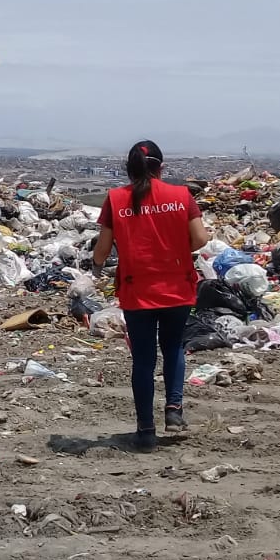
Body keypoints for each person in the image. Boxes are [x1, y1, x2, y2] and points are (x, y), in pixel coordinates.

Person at [92, 140, 209, 451]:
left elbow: (102, 251)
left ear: (129, 170)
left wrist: (97, 266)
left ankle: (145, 431)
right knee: (173, 348)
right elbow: (199, 239)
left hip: (137, 289)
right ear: (161, 167)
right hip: (177, 287)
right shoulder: (181, 196)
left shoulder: (116, 199)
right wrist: (172, 249)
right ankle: (174, 410)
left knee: (143, 360)